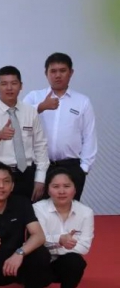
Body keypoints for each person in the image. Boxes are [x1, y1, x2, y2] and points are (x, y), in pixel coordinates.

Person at [23, 53, 96, 201]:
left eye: (62, 70)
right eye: (53, 71)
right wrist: (41, 107)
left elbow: (89, 136)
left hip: (70, 167)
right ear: (46, 73)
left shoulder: (82, 101)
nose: (58, 75)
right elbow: (19, 118)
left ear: (71, 73)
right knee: (37, 211)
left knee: (68, 211)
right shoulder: (34, 97)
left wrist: (83, 169)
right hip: (39, 166)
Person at [0, 66, 48, 201]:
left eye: (14, 83)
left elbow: (40, 145)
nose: (9, 88)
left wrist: (40, 178)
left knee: (25, 213)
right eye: (4, 84)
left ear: (21, 86)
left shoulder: (30, 111)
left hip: (26, 174)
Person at [33, 168, 94, 288]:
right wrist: (60, 240)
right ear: (48, 190)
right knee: (39, 254)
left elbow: (84, 247)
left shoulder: (86, 213)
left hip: (63, 261)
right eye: (56, 186)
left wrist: (54, 244)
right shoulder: (37, 209)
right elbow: (37, 239)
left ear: (75, 189)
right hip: (40, 259)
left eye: (67, 186)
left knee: (76, 261)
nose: (61, 191)